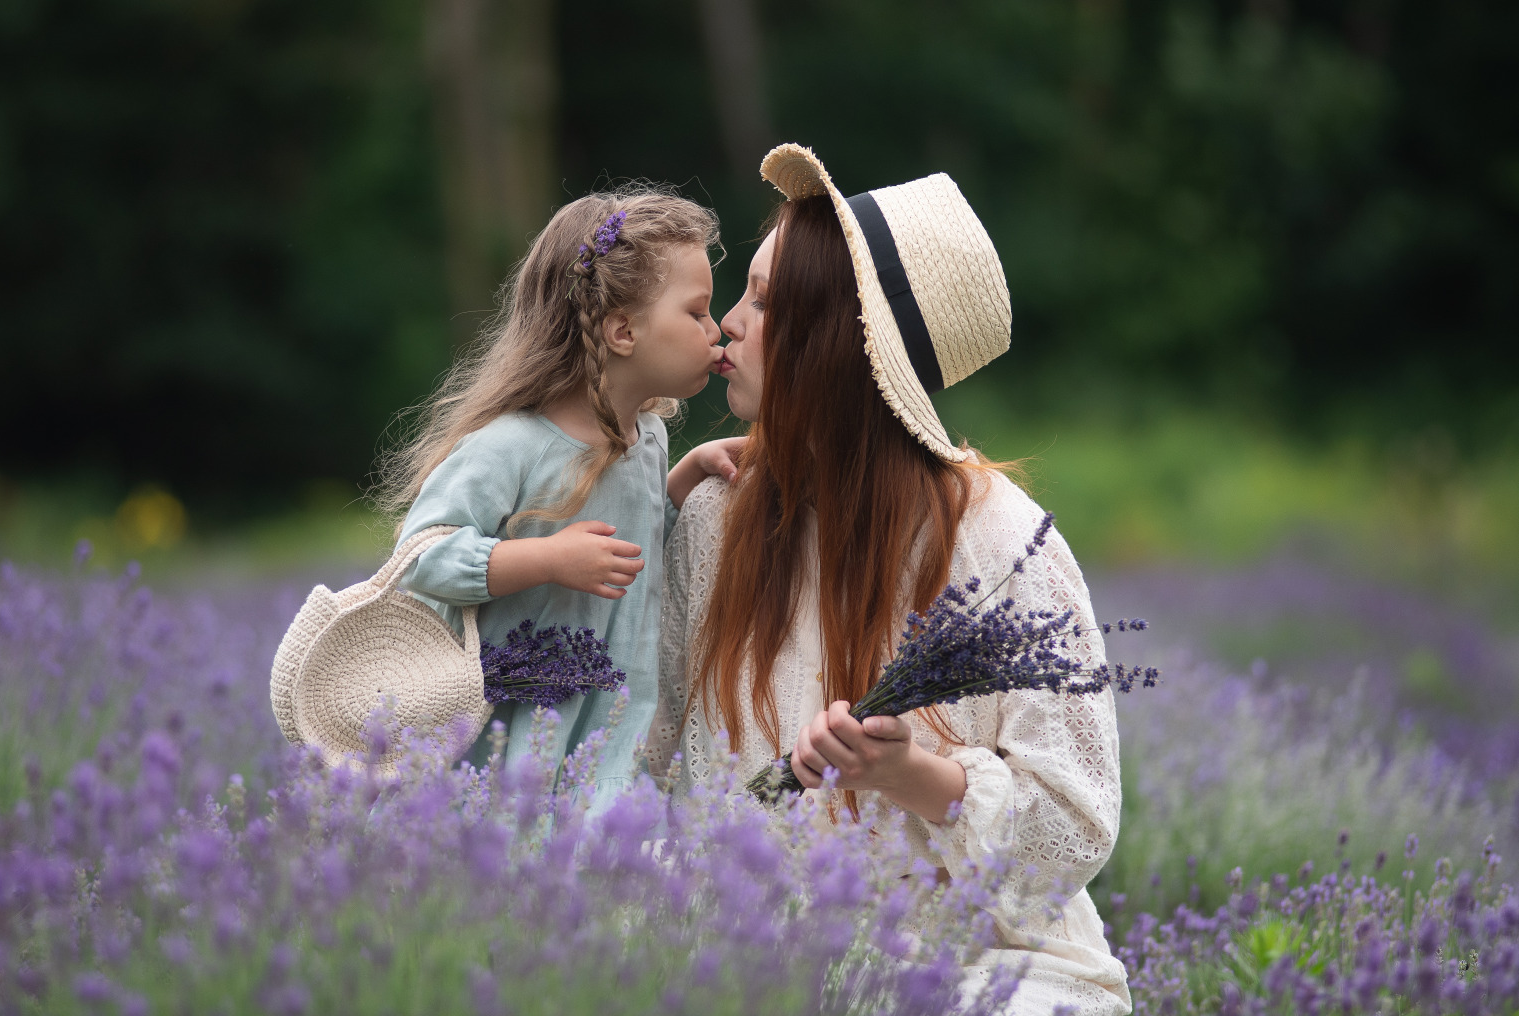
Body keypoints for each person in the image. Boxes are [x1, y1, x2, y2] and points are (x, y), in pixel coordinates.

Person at [646, 146, 1132, 1015]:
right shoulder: (715, 521)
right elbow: (642, 760)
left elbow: (1073, 831)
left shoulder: (1003, 543)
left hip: (981, 968)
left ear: (835, 339)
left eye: (762, 299)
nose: (727, 320)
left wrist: (912, 774)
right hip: (767, 967)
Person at [375, 187, 742, 811]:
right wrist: (547, 560)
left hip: (614, 728)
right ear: (622, 330)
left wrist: (681, 480)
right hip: (516, 734)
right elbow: (418, 559)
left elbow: (632, 539)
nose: (718, 329)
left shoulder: (647, 438)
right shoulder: (512, 447)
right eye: (698, 312)